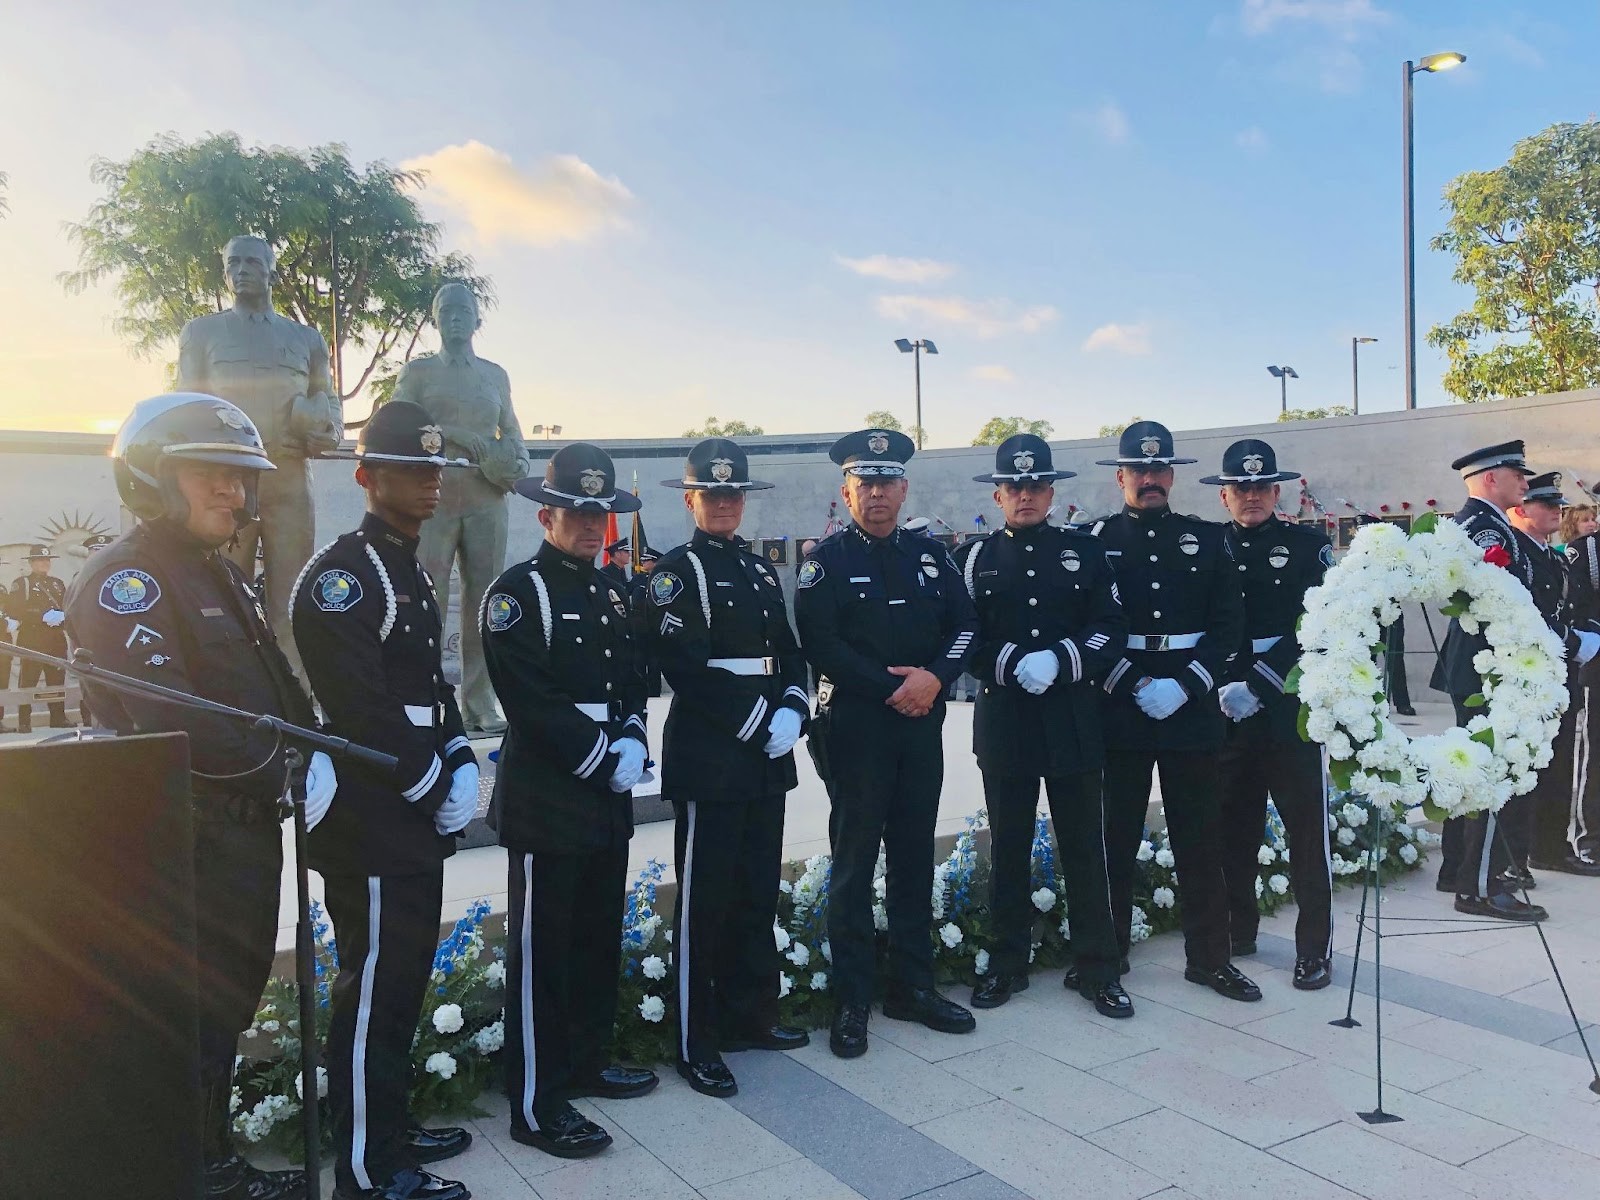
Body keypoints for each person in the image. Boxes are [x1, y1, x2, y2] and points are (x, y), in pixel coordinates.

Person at [64, 392, 320, 1200]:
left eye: (241, 479)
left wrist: (309, 743)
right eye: (212, 476)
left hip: (239, 837)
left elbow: (272, 682)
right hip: (185, 842)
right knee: (192, 1013)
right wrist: (280, 762)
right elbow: (172, 716)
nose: (236, 495)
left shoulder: (217, 571)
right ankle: (196, 1174)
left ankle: (209, 1161)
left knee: (227, 1005)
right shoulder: (127, 582)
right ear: (151, 477)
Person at [291, 401, 479, 1200]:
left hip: (407, 810)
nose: (430, 483)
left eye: (436, 469)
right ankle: (367, 1168)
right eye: (410, 468)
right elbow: (359, 703)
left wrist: (462, 750)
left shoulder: (408, 564)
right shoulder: (345, 573)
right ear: (367, 477)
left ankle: (390, 1127)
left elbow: (432, 686)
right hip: (372, 815)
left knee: (402, 980)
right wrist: (431, 779)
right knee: (370, 990)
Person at [481, 443, 658, 1159]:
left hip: (605, 789)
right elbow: (526, 695)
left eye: (603, 514)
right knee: (543, 952)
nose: (593, 526)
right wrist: (598, 753)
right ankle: (535, 1100)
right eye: (580, 513)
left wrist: (635, 738)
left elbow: (637, 674)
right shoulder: (518, 591)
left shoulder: (614, 588)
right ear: (547, 514)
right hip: (552, 790)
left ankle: (585, 1061)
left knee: (593, 938)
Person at [794, 428, 979, 1058]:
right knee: (853, 864)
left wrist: (934, 679)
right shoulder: (826, 563)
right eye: (863, 483)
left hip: (920, 726)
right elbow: (822, 645)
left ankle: (912, 986)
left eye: (886, 482)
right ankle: (851, 999)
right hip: (856, 730)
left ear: (903, 488)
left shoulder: (932, 557)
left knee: (911, 857)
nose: (875, 494)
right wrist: (891, 688)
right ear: (847, 490)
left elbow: (965, 626)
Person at [648, 438, 812, 1097]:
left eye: (732, 494)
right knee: (706, 901)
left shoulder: (759, 572)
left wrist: (795, 710)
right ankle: (696, 1039)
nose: (723, 504)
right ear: (691, 500)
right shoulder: (673, 573)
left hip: (766, 753)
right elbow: (683, 665)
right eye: (711, 494)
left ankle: (751, 1016)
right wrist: (756, 721)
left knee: (754, 894)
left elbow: (790, 653)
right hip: (714, 753)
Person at [955, 435, 1132, 1017]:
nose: (1025, 495)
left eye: (1036, 486)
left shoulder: (1084, 552)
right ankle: (1007, 963)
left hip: (1072, 717)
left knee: (1084, 844)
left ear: (1051, 492)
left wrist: (1062, 658)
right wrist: (1008, 663)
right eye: (1015, 487)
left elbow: (1111, 626)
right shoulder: (975, 558)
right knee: (1007, 844)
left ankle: (1097, 967)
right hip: (1006, 718)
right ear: (999, 494)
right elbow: (962, 637)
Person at [1087, 421, 1259, 1001]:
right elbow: (1091, 629)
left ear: (1172, 476)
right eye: (1139, 470)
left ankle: (1209, 957)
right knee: (1115, 837)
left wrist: (1188, 684)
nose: (1150, 479)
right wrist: (1133, 683)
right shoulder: (1095, 540)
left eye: (1160, 470)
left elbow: (1228, 626)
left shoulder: (1210, 540)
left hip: (1189, 705)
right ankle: (1105, 956)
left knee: (1199, 837)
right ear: (1121, 476)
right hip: (1122, 704)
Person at [1428, 443, 1581, 920]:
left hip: (1488, 669)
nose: (1523, 482)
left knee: (1482, 774)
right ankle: (1481, 887)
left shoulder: (1490, 525)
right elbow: (1504, 609)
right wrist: (1569, 643)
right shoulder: (1481, 528)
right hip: (1487, 673)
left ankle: (1463, 874)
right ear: (1491, 478)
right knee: (1495, 777)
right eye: (1517, 474)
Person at [1203, 440, 1335, 990]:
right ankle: (1240, 928)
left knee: (1307, 832)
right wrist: (1223, 680)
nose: (1251, 497)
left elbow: (1321, 623)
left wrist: (1260, 680)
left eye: (1262, 487)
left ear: (1276, 492)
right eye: (1242, 488)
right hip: (1227, 709)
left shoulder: (1307, 546)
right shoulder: (1207, 548)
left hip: (1289, 711)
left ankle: (1314, 949)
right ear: (1225, 495)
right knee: (1233, 828)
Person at [177, 234, 339, 677]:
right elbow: (185, 407)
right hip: (227, 484)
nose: (241, 271)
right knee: (225, 593)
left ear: (272, 270)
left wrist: (321, 433)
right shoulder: (202, 333)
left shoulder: (304, 338)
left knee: (292, 599)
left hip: (288, 480)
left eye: (251, 262)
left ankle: (297, 700)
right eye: (233, 263)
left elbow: (328, 403)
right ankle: (235, 693)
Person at [388, 283, 530, 735]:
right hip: (434, 495)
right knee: (427, 595)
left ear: (477, 320)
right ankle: (424, 693)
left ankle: (480, 701)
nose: (454, 317)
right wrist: (455, 433)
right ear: (434, 319)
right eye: (445, 310)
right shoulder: (419, 372)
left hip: (487, 497)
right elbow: (396, 425)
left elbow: (510, 430)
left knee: (485, 600)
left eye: (462, 311)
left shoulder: (495, 375)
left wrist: (517, 461)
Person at [1509, 474, 1600, 881]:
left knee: (1560, 760)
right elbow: (1572, 609)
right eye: (1545, 504)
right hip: (1559, 666)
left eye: (1557, 506)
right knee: (1565, 758)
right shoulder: (1584, 552)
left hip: (1561, 666)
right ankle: (1578, 839)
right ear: (1521, 507)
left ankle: (1548, 847)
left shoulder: (1554, 555)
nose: (1555, 512)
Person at [1560, 521, 1600, 871]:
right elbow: (1576, 609)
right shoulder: (1586, 551)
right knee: (1596, 756)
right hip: (1599, 667)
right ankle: (1591, 839)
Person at [10, 544, 70, 731]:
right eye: (39, 560)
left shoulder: (57, 583)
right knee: (29, 681)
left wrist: (62, 617)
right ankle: (24, 722)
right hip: (32, 640)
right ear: (31, 562)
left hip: (56, 639)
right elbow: (15, 610)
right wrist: (42, 616)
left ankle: (58, 718)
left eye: (46, 559)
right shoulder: (22, 583)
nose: (44, 563)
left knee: (56, 680)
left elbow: (67, 605)